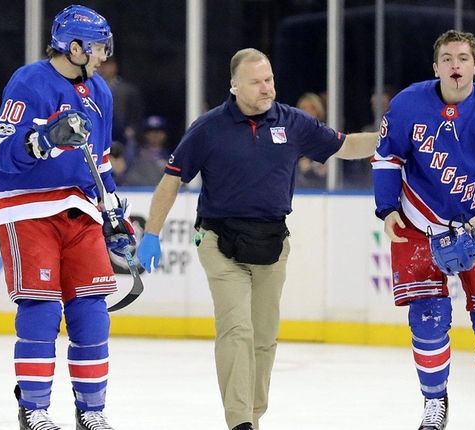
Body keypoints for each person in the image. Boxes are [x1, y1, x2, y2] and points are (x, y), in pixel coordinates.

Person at [136, 48, 378, 430]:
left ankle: (252, 416)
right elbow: (171, 179)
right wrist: (151, 233)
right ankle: (239, 423)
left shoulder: (293, 122)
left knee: (263, 339)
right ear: (235, 86)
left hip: (271, 244)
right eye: (256, 82)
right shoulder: (209, 128)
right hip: (220, 243)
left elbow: (345, 145)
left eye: (269, 79)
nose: (267, 88)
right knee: (237, 330)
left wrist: (390, 141)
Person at [371, 30, 475, 430]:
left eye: (463, 58)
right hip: (418, 227)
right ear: (435, 67)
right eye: (447, 58)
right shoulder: (408, 104)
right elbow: (386, 158)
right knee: (427, 319)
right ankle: (434, 403)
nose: (455, 66)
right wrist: (387, 209)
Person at [0, 5, 133, 430]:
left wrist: (112, 208)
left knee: (91, 312)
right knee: (41, 309)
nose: (104, 54)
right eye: (98, 46)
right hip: (28, 208)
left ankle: (92, 412)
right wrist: (44, 140)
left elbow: (100, 165)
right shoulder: (28, 82)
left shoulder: (101, 93)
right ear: (74, 47)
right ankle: (34, 409)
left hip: (81, 211)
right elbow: (0, 153)